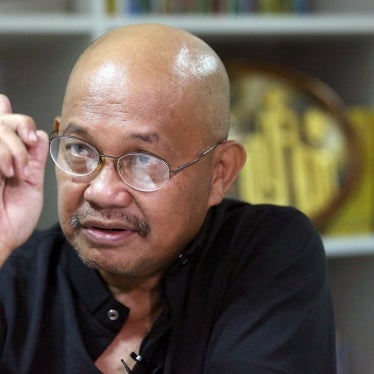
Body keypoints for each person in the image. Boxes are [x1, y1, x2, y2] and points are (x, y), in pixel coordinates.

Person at [0, 23, 336, 373]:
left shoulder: (263, 251)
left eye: (144, 160)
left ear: (220, 172)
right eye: (80, 149)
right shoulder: (13, 274)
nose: (100, 192)